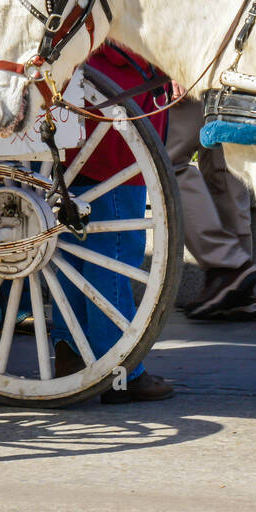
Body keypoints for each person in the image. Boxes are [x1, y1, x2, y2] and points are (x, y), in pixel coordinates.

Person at [51, 43, 174, 404]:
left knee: (72, 251)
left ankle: (70, 347)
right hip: (118, 135)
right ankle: (120, 369)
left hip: (78, 129)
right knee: (116, 252)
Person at [165, 93, 256, 320]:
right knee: (225, 162)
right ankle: (238, 289)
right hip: (233, 72)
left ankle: (228, 265)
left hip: (194, 69)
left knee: (167, 161)